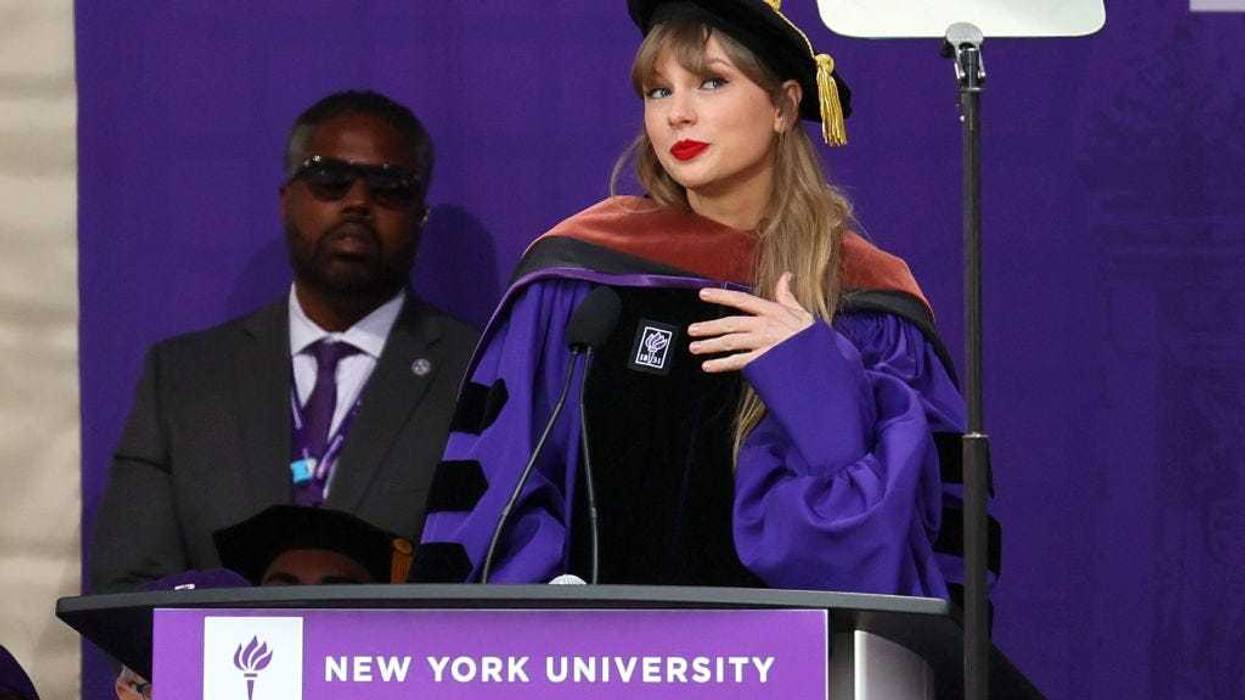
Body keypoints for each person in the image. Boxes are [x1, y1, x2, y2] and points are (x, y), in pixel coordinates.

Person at [412, 0, 998, 599]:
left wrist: (818, 382)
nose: (678, 115)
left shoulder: (866, 304)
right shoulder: (582, 279)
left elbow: (906, 557)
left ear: (786, 105)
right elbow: (497, 495)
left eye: (711, 83)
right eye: (658, 92)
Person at [90, 90, 480, 594]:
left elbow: (491, 579)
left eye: (390, 186)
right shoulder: (184, 378)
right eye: (329, 179)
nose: (358, 202)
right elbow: (130, 581)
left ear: (420, 217)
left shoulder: (477, 374)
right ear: (286, 200)